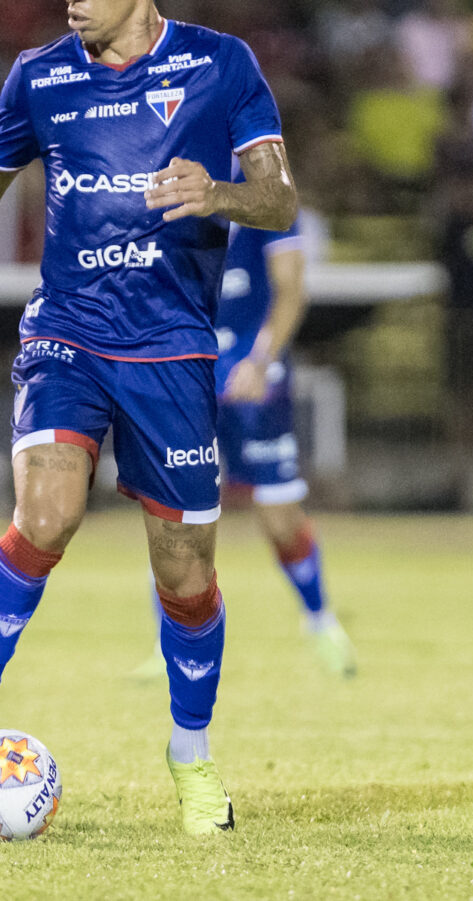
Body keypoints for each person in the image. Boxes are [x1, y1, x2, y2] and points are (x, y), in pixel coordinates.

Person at [0, 0, 297, 836]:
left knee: (185, 572)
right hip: (66, 330)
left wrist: (217, 191)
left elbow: (277, 198)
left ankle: (190, 755)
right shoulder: (40, 77)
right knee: (46, 511)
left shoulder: (222, 66)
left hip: (175, 347)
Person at [133, 193, 356, 678]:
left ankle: (321, 622)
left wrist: (262, 359)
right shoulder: (166, 191)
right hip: (187, 375)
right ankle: (167, 646)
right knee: (175, 517)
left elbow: (291, 289)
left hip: (254, 381)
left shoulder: (264, 191)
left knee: (279, 515)